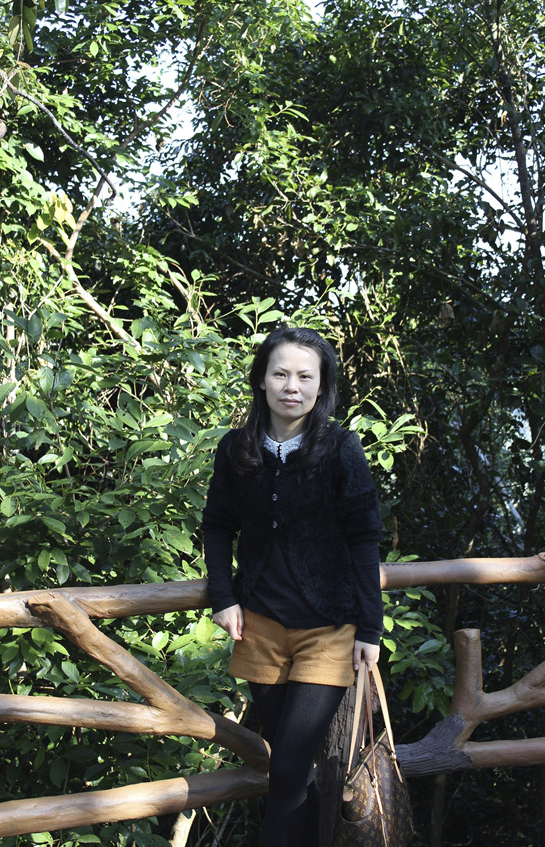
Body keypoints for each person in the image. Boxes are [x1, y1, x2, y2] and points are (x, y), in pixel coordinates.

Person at [201, 326, 383, 847]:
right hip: (258, 628)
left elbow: (364, 538)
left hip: (328, 631)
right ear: (261, 379)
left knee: (287, 766)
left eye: (306, 376)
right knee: (291, 769)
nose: (292, 386)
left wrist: (370, 628)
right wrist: (224, 597)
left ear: (321, 387)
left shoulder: (341, 448)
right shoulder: (236, 449)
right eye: (280, 373)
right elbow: (218, 525)